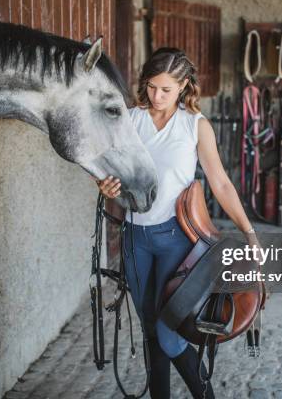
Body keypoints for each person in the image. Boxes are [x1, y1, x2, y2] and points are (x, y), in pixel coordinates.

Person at [96, 47, 259, 399]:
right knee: (151, 331)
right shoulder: (130, 118)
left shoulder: (194, 126)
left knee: (169, 332)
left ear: (184, 86)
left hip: (177, 239)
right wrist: (104, 183)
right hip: (134, 237)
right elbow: (109, 169)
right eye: (152, 87)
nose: (156, 96)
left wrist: (249, 231)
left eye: (166, 89)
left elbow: (221, 182)